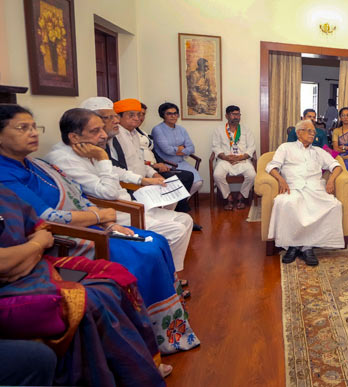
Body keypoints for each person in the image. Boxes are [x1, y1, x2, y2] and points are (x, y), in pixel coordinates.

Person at [0, 104, 199, 354]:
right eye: (22, 128)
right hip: (70, 238)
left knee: (156, 241)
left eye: (33, 126)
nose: (33, 133)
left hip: (95, 223)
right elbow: (47, 217)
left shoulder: (38, 164)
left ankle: (166, 329)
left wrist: (108, 221)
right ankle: (145, 338)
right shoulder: (6, 173)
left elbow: (77, 194)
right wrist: (100, 215)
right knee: (146, 251)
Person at [0, 183, 171, 385]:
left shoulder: (10, 190)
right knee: (91, 300)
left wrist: (27, 254)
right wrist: (35, 247)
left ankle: (143, 363)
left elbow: (42, 231)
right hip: (13, 288)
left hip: (37, 267)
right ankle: (127, 376)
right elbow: (11, 260)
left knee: (115, 276)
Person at [46, 108, 193, 273]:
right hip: (116, 213)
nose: (103, 135)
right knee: (177, 230)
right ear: (74, 137)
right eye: (96, 131)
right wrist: (102, 157)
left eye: (103, 128)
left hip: (128, 204)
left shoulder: (86, 148)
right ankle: (166, 274)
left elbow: (115, 170)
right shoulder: (66, 160)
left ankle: (171, 273)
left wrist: (143, 179)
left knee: (185, 220)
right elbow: (108, 193)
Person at [85, 98, 198, 226]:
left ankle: (176, 214)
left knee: (175, 192)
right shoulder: (114, 137)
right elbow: (115, 169)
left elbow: (140, 161)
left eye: (139, 115)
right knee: (174, 208)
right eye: (131, 115)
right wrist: (143, 181)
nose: (137, 118)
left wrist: (153, 174)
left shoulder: (135, 134)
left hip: (141, 181)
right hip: (131, 188)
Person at [267, 120, 344, 266]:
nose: (312, 134)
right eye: (309, 131)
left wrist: (331, 180)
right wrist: (281, 179)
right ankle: (293, 245)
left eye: (313, 132)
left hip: (315, 188)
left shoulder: (318, 151)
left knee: (334, 205)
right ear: (299, 133)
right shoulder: (285, 148)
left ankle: (306, 246)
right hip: (293, 186)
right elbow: (272, 166)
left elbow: (336, 166)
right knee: (285, 203)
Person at [151, 102, 203, 196]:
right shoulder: (157, 129)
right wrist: (180, 149)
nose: (173, 116)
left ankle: (180, 202)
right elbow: (166, 150)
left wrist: (179, 151)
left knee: (198, 182)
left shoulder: (181, 129)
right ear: (163, 115)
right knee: (176, 184)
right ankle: (178, 203)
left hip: (181, 163)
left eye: (175, 113)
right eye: (169, 114)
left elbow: (191, 148)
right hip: (166, 165)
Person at [212, 105, 257, 210]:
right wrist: (226, 157)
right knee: (217, 175)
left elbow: (251, 147)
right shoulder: (219, 130)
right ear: (226, 116)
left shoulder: (246, 130)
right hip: (225, 161)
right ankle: (228, 197)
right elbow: (216, 147)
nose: (236, 117)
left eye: (238, 114)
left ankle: (242, 196)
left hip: (242, 160)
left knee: (252, 175)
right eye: (233, 114)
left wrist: (241, 157)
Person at [137, 102, 171, 173]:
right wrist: (154, 165)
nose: (141, 117)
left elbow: (152, 150)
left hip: (155, 166)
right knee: (185, 177)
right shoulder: (158, 129)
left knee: (187, 176)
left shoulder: (142, 132)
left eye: (143, 114)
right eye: (138, 114)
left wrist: (161, 163)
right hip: (145, 168)